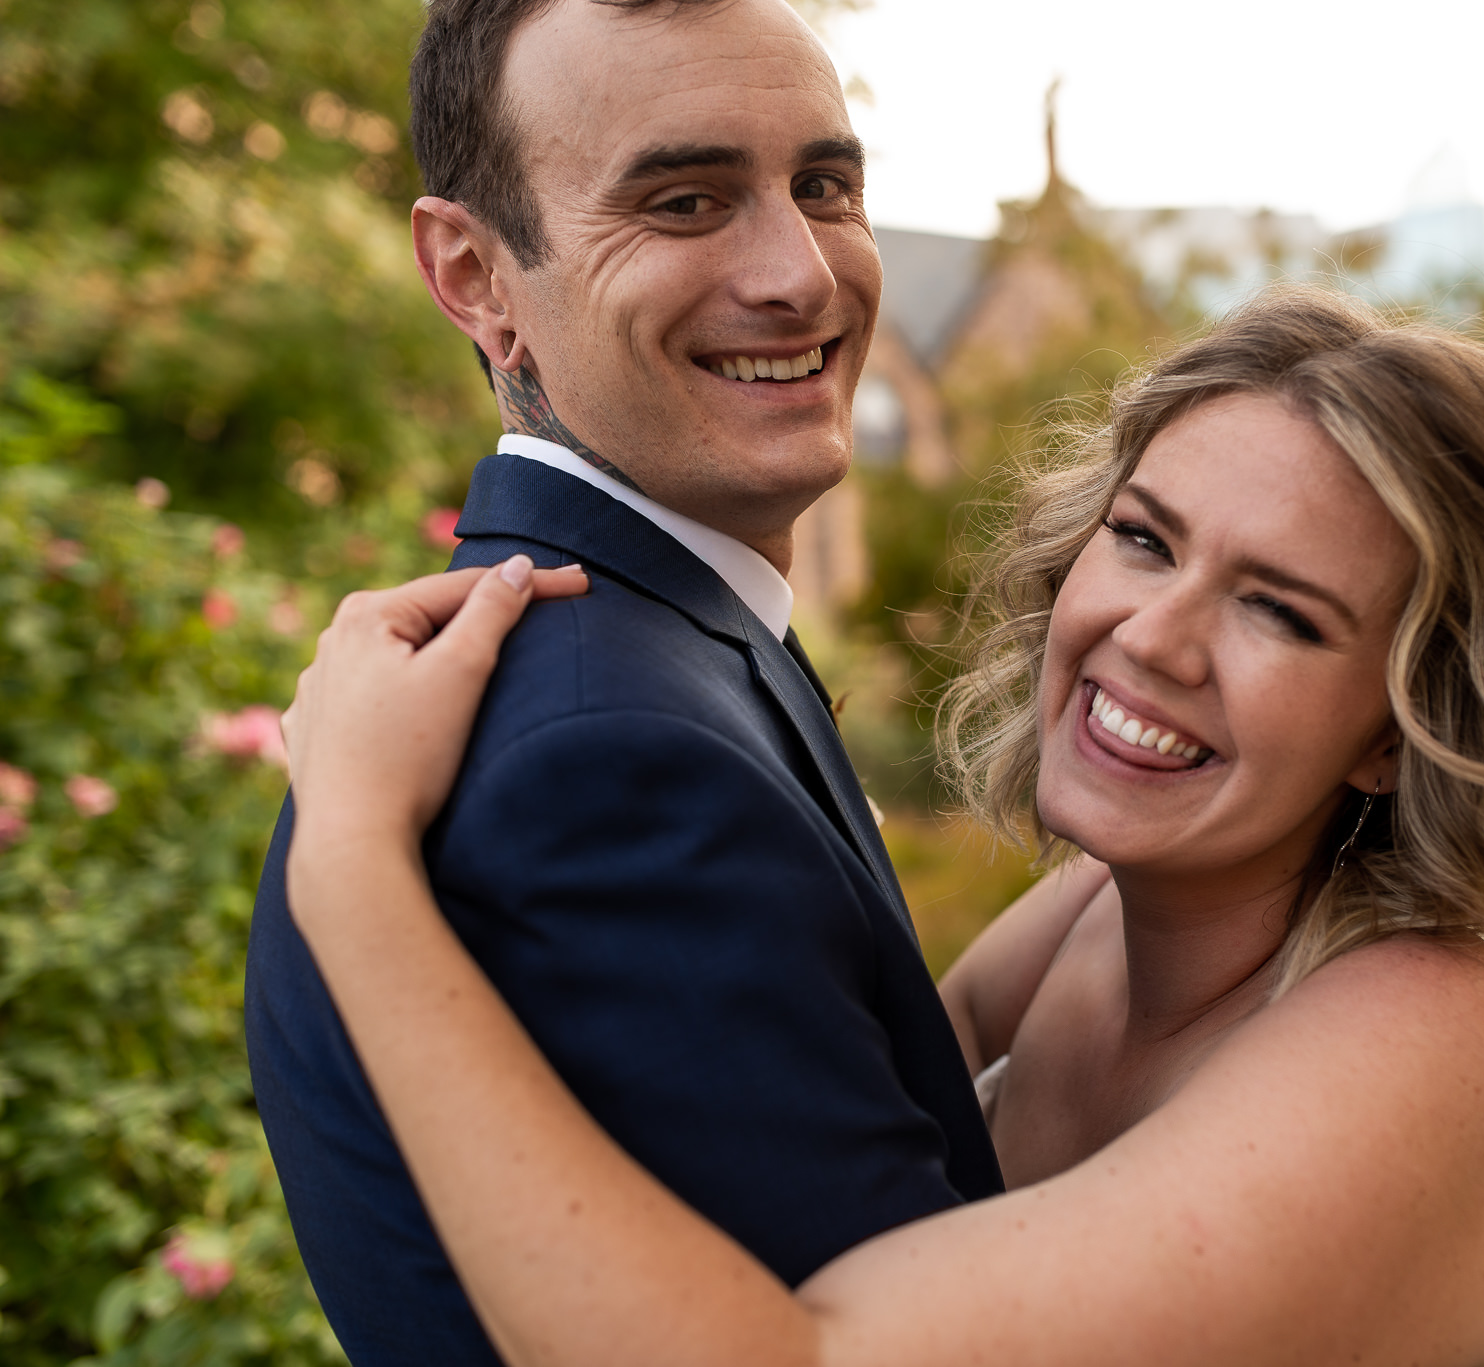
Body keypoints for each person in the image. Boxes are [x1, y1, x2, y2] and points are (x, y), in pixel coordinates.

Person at [278, 287, 1484, 1365]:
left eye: (1279, 610)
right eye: (1146, 539)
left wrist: (354, 862)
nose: (1151, 636)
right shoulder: (1097, 918)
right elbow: (851, 1078)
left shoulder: (1431, 1050)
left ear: (1400, 726)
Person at [244, 1, 1001, 1360]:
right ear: (477, 278)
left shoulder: (668, 640)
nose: (801, 275)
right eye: (688, 199)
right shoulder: (603, 759)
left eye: (823, 186)